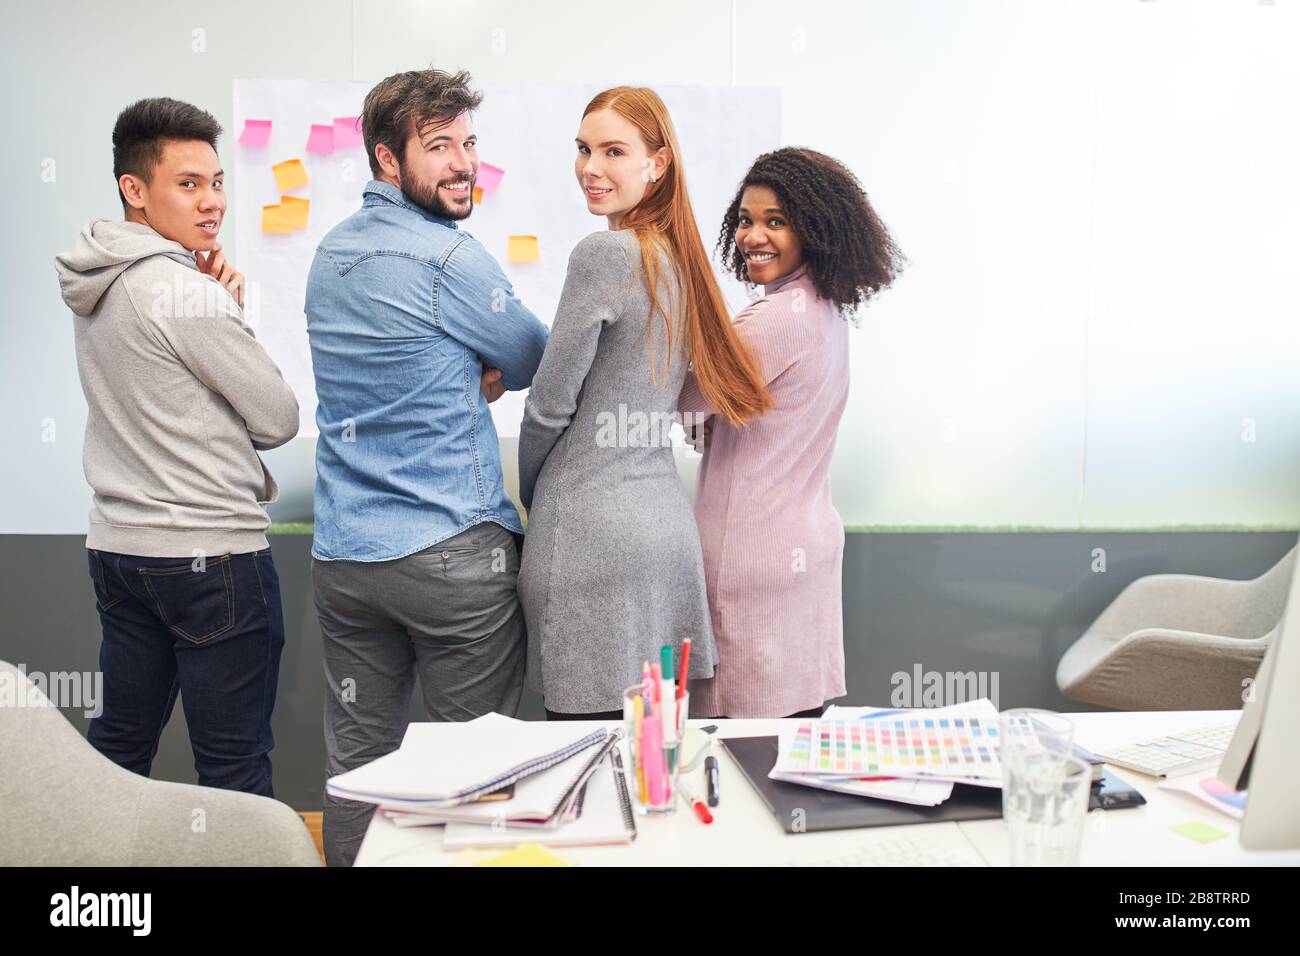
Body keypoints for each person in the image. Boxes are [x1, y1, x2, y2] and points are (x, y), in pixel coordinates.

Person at [305, 69, 549, 866]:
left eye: (469, 143)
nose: (463, 163)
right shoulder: (451, 259)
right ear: (387, 158)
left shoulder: (328, 255)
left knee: (358, 769)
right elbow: (533, 356)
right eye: (439, 146)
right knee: (469, 773)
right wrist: (482, 366)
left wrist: (463, 361)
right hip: (452, 557)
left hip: (346, 562)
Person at [53, 97, 299, 796]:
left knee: (117, 750)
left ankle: (92, 869)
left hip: (120, 550)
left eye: (216, 181)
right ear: (134, 189)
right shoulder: (185, 291)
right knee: (232, 767)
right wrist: (227, 312)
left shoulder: (97, 279)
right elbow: (278, 418)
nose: (212, 201)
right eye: (188, 184)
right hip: (210, 555)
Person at [517, 87, 771, 720]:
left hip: (589, 537)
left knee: (585, 753)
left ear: (657, 163)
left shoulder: (604, 254)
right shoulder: (681, 263)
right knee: (654, 754)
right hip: (665, 537)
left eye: (613, 151)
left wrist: (532, 492)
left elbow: (549, 405)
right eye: (583, 149)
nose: (591, 168)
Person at [681, 147, 904, 718]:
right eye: (746, 220)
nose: (753, 236)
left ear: (815, 230)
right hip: (803, 546)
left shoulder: (776, 318)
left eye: (775, 221)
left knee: (740, 744)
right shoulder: (824, 310)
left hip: (751, 557)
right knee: (792, 738)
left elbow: (684, 402)